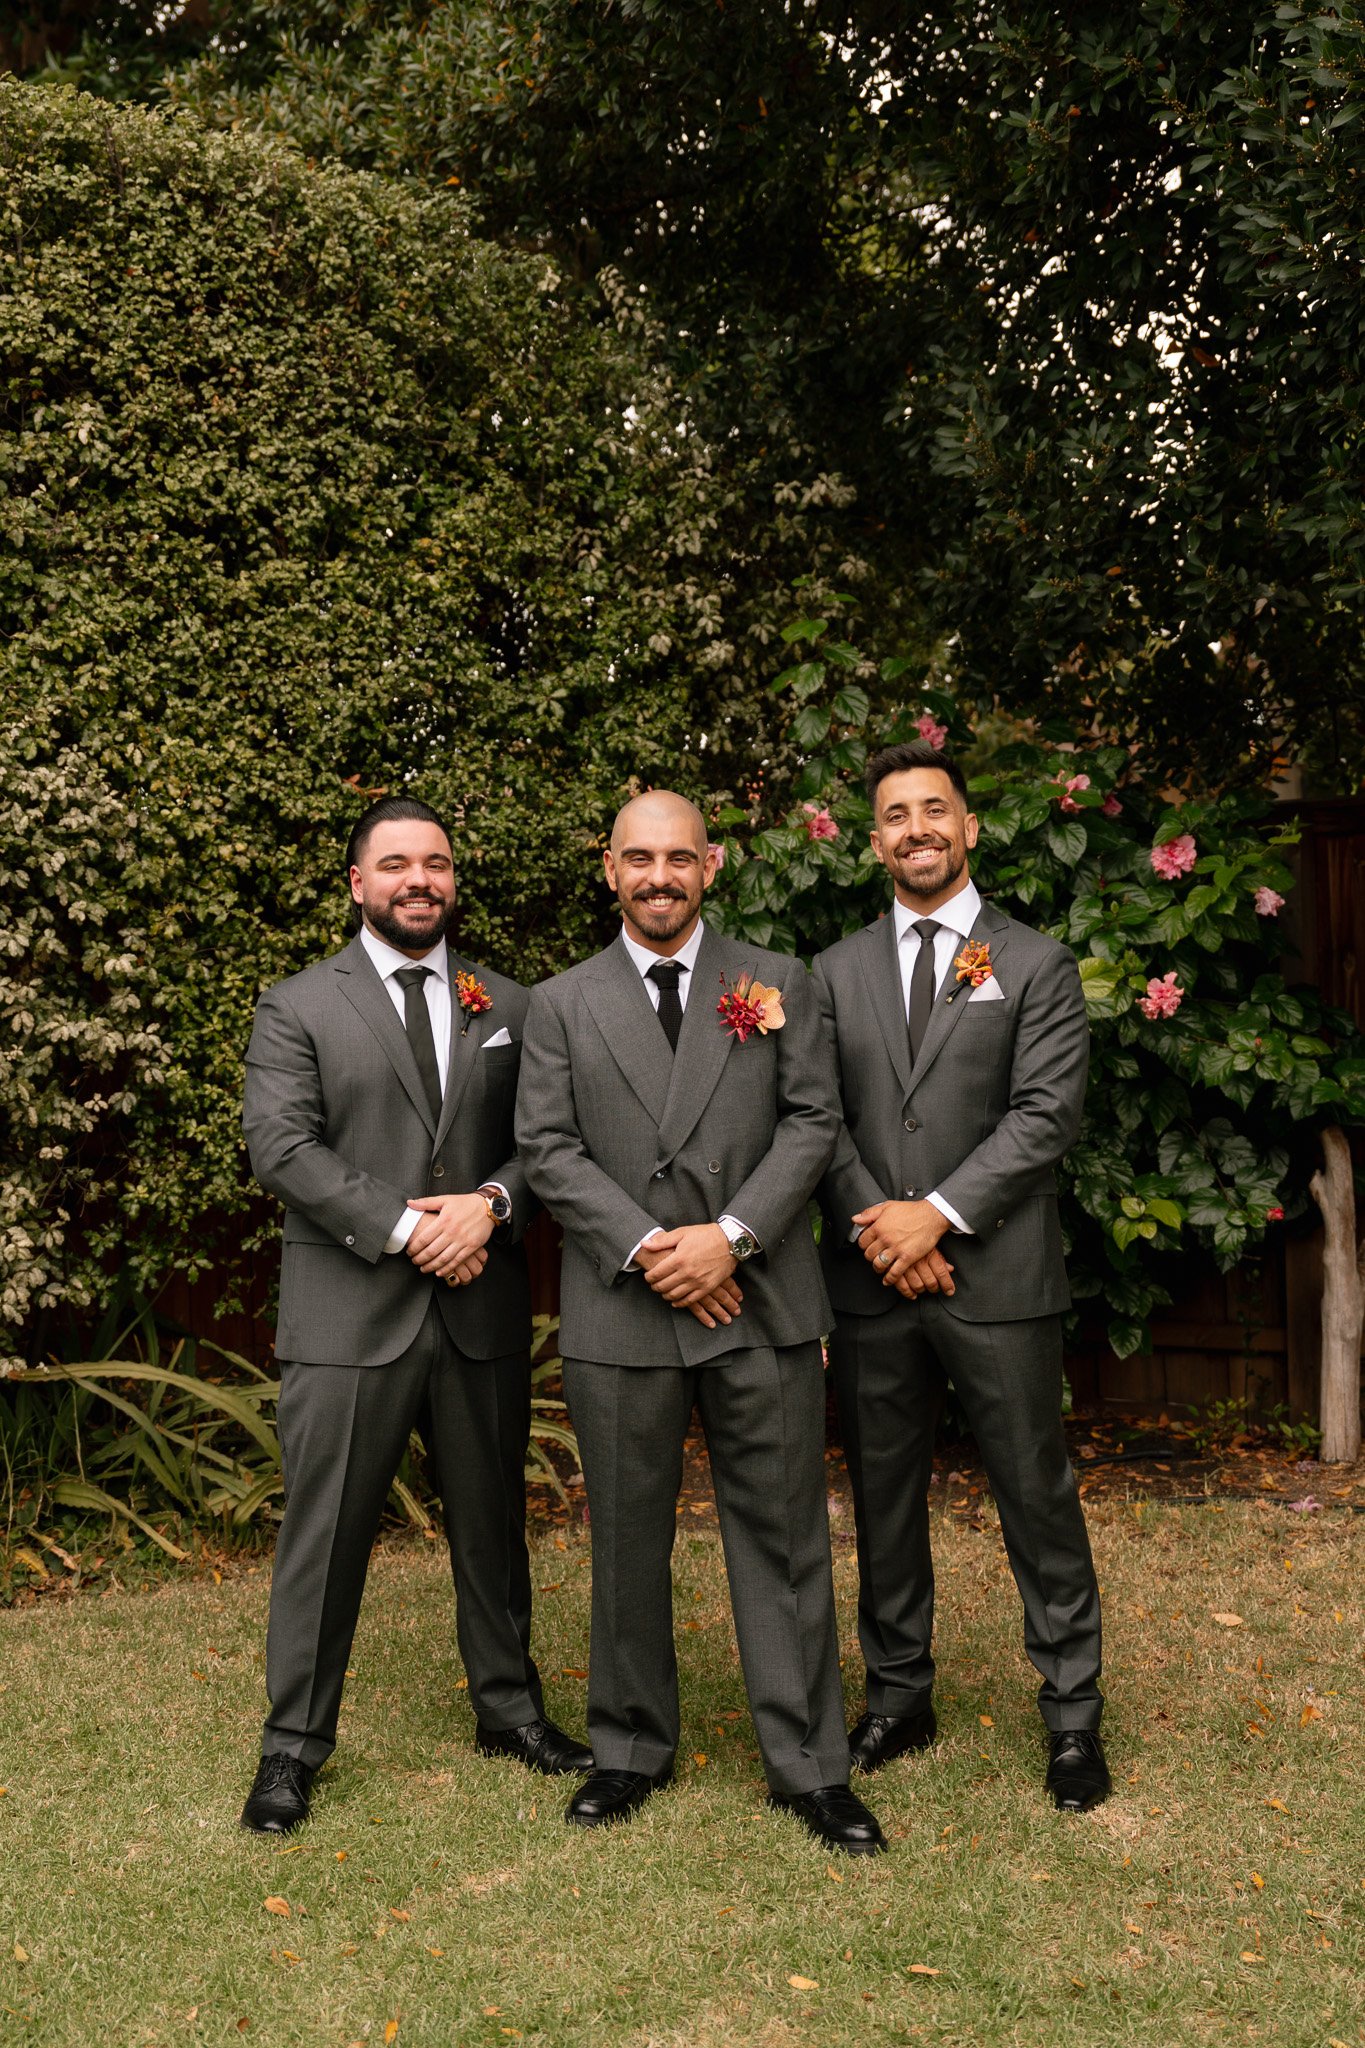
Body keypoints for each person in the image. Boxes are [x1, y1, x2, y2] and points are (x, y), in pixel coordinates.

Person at [515, 791, 885, 1854]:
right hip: (625, 1299)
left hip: (760, 1295)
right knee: (626, 1534)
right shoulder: (562, 1001)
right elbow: (547, 1147)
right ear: (609, 868)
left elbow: (815, 1119)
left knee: (782, 1536)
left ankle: (811, 1763)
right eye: (640, 857)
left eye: (680, 857)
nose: (660, 875)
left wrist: (732, 1235)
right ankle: (628, 1746)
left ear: (712, 866)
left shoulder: (777, 980)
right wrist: (656, 1249)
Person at [238, 795, 589, 1834]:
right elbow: (282, 1147)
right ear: (358, 883)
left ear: (453, 878)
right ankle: (293, 1746)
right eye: (395, 864)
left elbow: (549, 1138)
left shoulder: (512, 1004)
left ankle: (510, 1712)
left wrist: (491, 1205)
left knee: (493, 1530)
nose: (418, 879)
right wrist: (404, 1226)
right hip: (351, 1316)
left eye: (435, 862)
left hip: (479, 1312)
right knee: (327, 1533)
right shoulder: (297, 1005)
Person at [814, 741, 1110, 1812]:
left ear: (971, 826)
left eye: (933, 810)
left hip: (998, 1278)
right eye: (894, 815)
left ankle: (1072, 1714)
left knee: (1036, 1491)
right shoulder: (833, 972)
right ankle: (899, 1692)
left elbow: (1044, 1119)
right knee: (883, 1495)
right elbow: (822, 1118)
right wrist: (879, 1230)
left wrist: (930, 1216)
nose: (916, 829)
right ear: (876, 839)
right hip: (870, 1283)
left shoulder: (1034, 964)